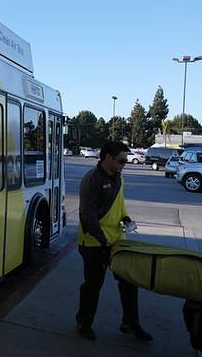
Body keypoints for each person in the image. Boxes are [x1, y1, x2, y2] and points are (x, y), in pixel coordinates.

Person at [75, 141, 153, 341]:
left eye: (125, 161)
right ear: (108, 158)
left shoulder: (119, 177)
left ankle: (131, 323)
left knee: (129, 281)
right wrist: (103, 241)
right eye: (121, 161)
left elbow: (119, 204)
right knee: (93, 285)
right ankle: (84, 323)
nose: (124, 164)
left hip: (117, 239)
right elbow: (87, 216)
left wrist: (125, 218)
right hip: (93, 243)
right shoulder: (91, 180)